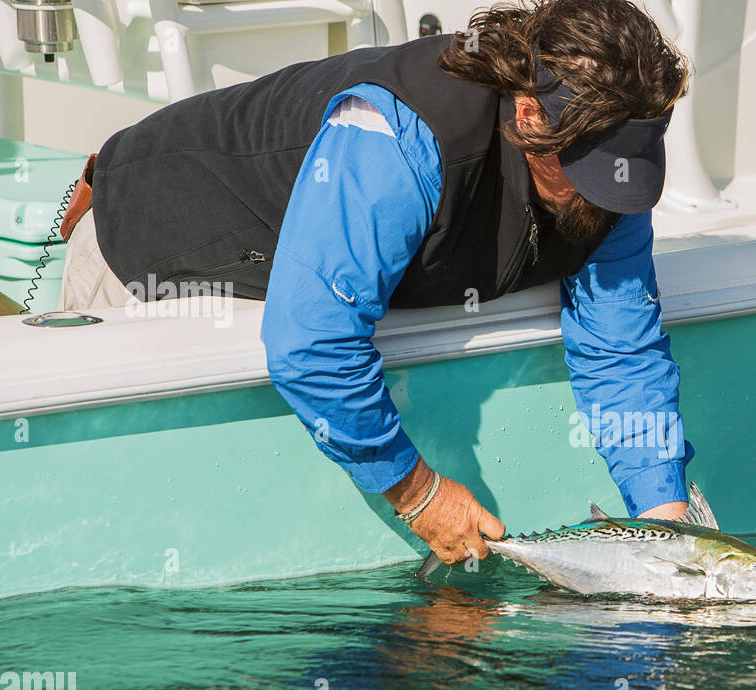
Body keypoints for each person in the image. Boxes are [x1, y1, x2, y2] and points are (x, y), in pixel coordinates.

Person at [59, 0, 695, 565]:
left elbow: (622, 349)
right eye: (589, 169)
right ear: (530, 115)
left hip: (294, 265)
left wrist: (664, 528)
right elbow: (310, 343)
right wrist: (419, 496)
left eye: (627, 174)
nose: (607, 200)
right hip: (154, 241)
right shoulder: (400, 136)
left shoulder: (611, 184)